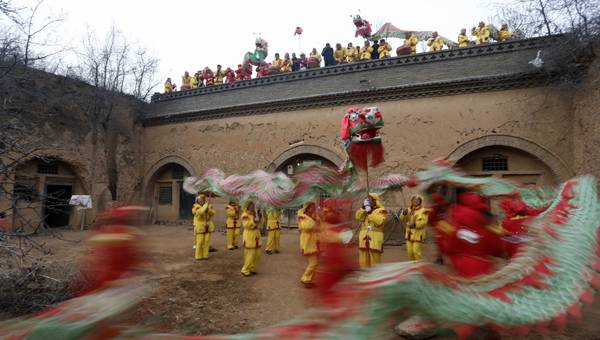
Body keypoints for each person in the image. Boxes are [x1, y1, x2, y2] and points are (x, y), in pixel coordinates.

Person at [355, 193, 388, 268]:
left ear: (374, 200)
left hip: (375, 238)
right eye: (367, 199)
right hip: (364, 238)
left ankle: (375, 276)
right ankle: (365, 277)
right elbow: (358, 217)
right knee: (363, 261)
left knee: (374, 261)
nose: (368, 201)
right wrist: (363, 208)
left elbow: (380, 221)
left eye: (370, 199)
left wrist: (370, 213)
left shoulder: (382, 210)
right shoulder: (365, 210)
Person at [400, 195, 428, 261]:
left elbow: (424, 222)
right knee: (410, 252)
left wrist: (415, 225)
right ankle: (413, 266)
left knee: (416, 252)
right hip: (409, 234)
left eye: (417, 200)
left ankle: (419, 267)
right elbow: (402, 219)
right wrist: (404, 213)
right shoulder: (408, 209)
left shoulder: (423, 210)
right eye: (414, 200)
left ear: (420, 201)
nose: (415, 201)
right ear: (412, 201)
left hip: (418, 234)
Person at [298, 202, 318, 287]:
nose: (313, 209)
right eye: (311, 208)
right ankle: (305, 278)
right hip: (307, 242)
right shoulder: (303, 217)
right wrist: (314, 221)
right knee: (313, 263)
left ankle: (307, 279)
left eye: (314, 207)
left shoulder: (311, 217)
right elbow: (305, 227)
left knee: (314, 262)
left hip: (312, 241)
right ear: (307, 208)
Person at [241, 201, 261, 276]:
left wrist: (260, 216)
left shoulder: (255, 214)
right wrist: (254, 222)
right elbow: (246, 225)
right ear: (247, 206)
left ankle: (252, 268)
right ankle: (245, 269)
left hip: (256, 235)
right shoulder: (245, 215)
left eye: (253, 205)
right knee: (250, 254)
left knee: (257, 254)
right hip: (249, 235)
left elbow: (260, 223)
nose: (252, 207)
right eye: (251, 205)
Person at [192, 194, 215, 260]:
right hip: (200, 226)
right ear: (198, 201)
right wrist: (205, 207)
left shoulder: (208, 206)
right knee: (200, 241)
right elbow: (199, 212)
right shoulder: (195, 207)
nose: (202, 200)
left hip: (208, 225)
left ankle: (205, 255)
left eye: (203, 199)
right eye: (201, 199)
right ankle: (198, 256)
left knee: (207, 241)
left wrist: (209, 210)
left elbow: (213, 213)